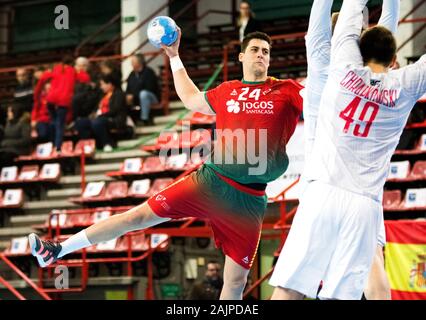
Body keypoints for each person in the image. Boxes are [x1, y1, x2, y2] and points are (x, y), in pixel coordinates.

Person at [28, 30, 304, 300]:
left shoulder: (287, 90)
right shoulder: (227, 91)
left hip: (249, 199)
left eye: (266, 52)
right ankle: (58, 250)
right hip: (210, 181)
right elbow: (190, 98)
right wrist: (174, 57)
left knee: (235, 281)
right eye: (255, 50)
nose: (261, 55)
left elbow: (327, 99)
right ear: (242, 57)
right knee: (135, 218)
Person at [269, 0, 425, 300]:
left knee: (290, 286)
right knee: (344, 294)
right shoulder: (403, 87)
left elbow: (348, 16)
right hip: (364, 203)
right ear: (394, 58)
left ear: (355, 47)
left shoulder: (340, 69)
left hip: (322, 186)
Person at [289, 0, 398, 300]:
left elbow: (318, 17)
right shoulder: (357, 69)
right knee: (371, 266)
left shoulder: (328, 59)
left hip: (322, 185)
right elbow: (389, 28)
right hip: (357, 187)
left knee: (295, 283)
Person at [37, 55, 90, 153]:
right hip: (63, 101)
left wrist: (38, 91)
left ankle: (52, 143)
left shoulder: (56, 69)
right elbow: (85, 78)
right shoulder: (72, 71)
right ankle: (58, 147)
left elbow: (43, 78)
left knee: (54, 121)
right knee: (60, 124)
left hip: (51, 100)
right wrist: (81, 71)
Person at [74, 74, 127, 152]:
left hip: (113, 119)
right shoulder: (102, 95)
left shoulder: (118, 94)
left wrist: (100, 115)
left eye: (103, 84)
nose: (101, 87)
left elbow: (115, 110)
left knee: (97, 122)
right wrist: (94, 114)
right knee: (81, 123)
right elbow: (96, 108)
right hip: (100, 118)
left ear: (110, 84)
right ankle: (90, 145)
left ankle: (107, 143)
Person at [125, 54, 160, 126]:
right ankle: (129, 122)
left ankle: (145, 119)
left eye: (133, 62)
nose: (131, 64)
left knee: (143, 94)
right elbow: (128, 89)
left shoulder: (149, 72)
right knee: (123, 97)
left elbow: (150, 88)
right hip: (136, 98)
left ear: (139, 63)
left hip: (152, 97)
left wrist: (133, 95)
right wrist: (128, 95)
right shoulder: (131, 74)